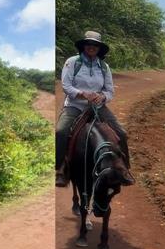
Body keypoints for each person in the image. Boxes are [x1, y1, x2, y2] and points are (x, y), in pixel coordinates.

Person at [55, 30, 132, 187]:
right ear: (84, 46)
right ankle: (61, 169)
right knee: (61, 131)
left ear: (99, 48)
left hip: (98, 106)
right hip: (75, 106)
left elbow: (109, 91)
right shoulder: (72, 62)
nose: (92, 47)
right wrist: (83, 95)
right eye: (89, 44)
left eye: (95, 45)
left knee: (121, 133)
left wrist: (102, 97)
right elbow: (66, 86)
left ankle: (125, 168)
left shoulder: (104, 67)